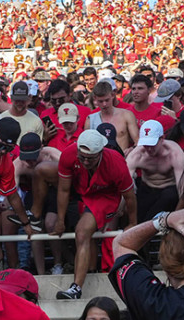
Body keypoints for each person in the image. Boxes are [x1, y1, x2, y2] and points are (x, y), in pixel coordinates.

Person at [53, 129, 137, 301]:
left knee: (82, 231)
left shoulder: (115, 162)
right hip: (81, 188)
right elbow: (63, 189)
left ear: (100, 153)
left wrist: (132, 222)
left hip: (105, 195)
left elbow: (129, 196)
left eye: (89, 158)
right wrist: (60, 220)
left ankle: (76, 288)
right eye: (81, 156)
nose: (85, 160)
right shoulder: (69, 154)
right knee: (42, 171)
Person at [125, 119, 184, 223]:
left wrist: (178, 215)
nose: (149, 149)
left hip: (169, 189)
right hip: (147, 188)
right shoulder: (137, 155)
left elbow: (182, 190)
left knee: (169, 196)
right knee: (137, 207)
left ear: (162, 139)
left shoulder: (174, 153)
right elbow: (124, 185)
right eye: (146, 145)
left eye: (152, 145)